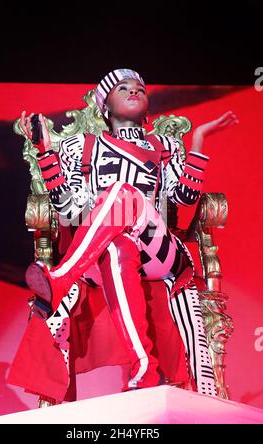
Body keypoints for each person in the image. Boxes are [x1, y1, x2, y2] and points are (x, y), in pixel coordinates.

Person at [19, 68, 238, 397]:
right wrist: (46, 152)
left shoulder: (164, 144)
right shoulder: (81, 147)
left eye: (139, 88)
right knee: (116, 245)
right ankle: (143, 367)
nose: (134, 91)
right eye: (123, 87)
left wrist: (198, 141)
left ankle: (59, 279)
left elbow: (185, 198)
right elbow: (68, 211)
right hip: (98, 254)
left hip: (160, 253)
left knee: (122, 194)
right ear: (105, 104)